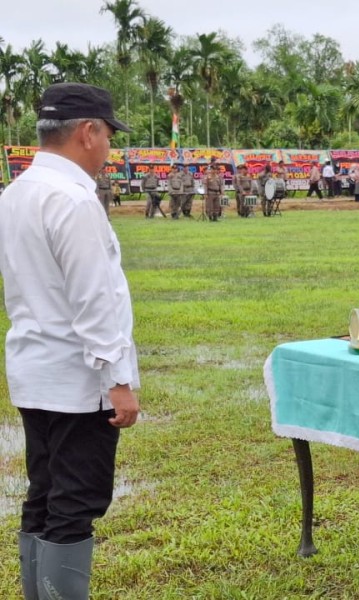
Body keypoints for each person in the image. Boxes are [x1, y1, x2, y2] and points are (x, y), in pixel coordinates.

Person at [0, 82, 140, 600]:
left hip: (35, 373)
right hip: (80, 382)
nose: (109, 150)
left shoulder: (15, 194)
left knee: (44, 497)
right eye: (108, 137)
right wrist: (118, 379)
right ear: (88, 132)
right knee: (75, 504)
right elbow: (93, 300)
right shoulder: (73, 199)